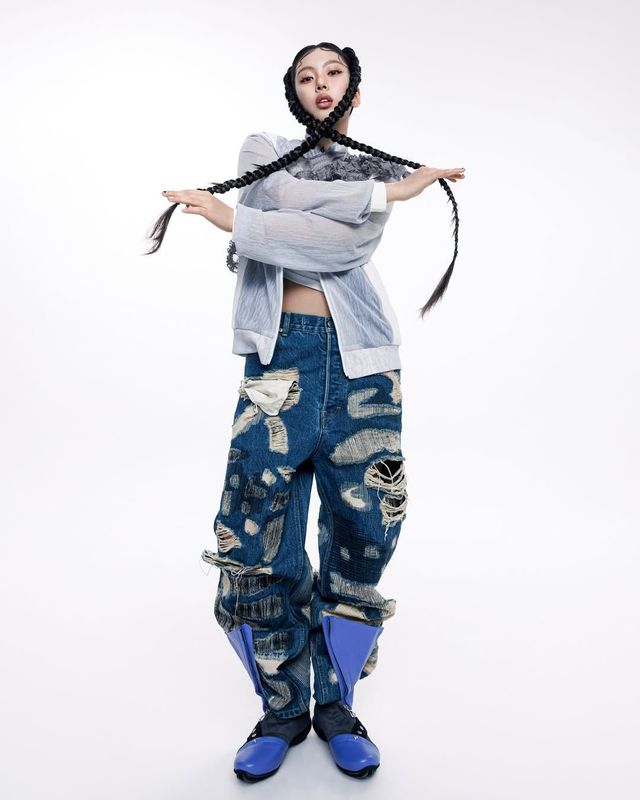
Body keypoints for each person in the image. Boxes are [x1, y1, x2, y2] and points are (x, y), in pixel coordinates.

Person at [146, 42, 465, 782]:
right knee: (254, 529)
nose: (321, 85)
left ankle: (337, 708)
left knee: (365, 527)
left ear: (355, 89)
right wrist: (388, 195)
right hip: (279, 358)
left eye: (334, 74)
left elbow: (343, 247)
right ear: (293, 92)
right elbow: (290, 206)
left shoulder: (369, 171)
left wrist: (238, 220)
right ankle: (283, 710)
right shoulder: (265, 151)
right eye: (306, 76)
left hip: (363, 363)